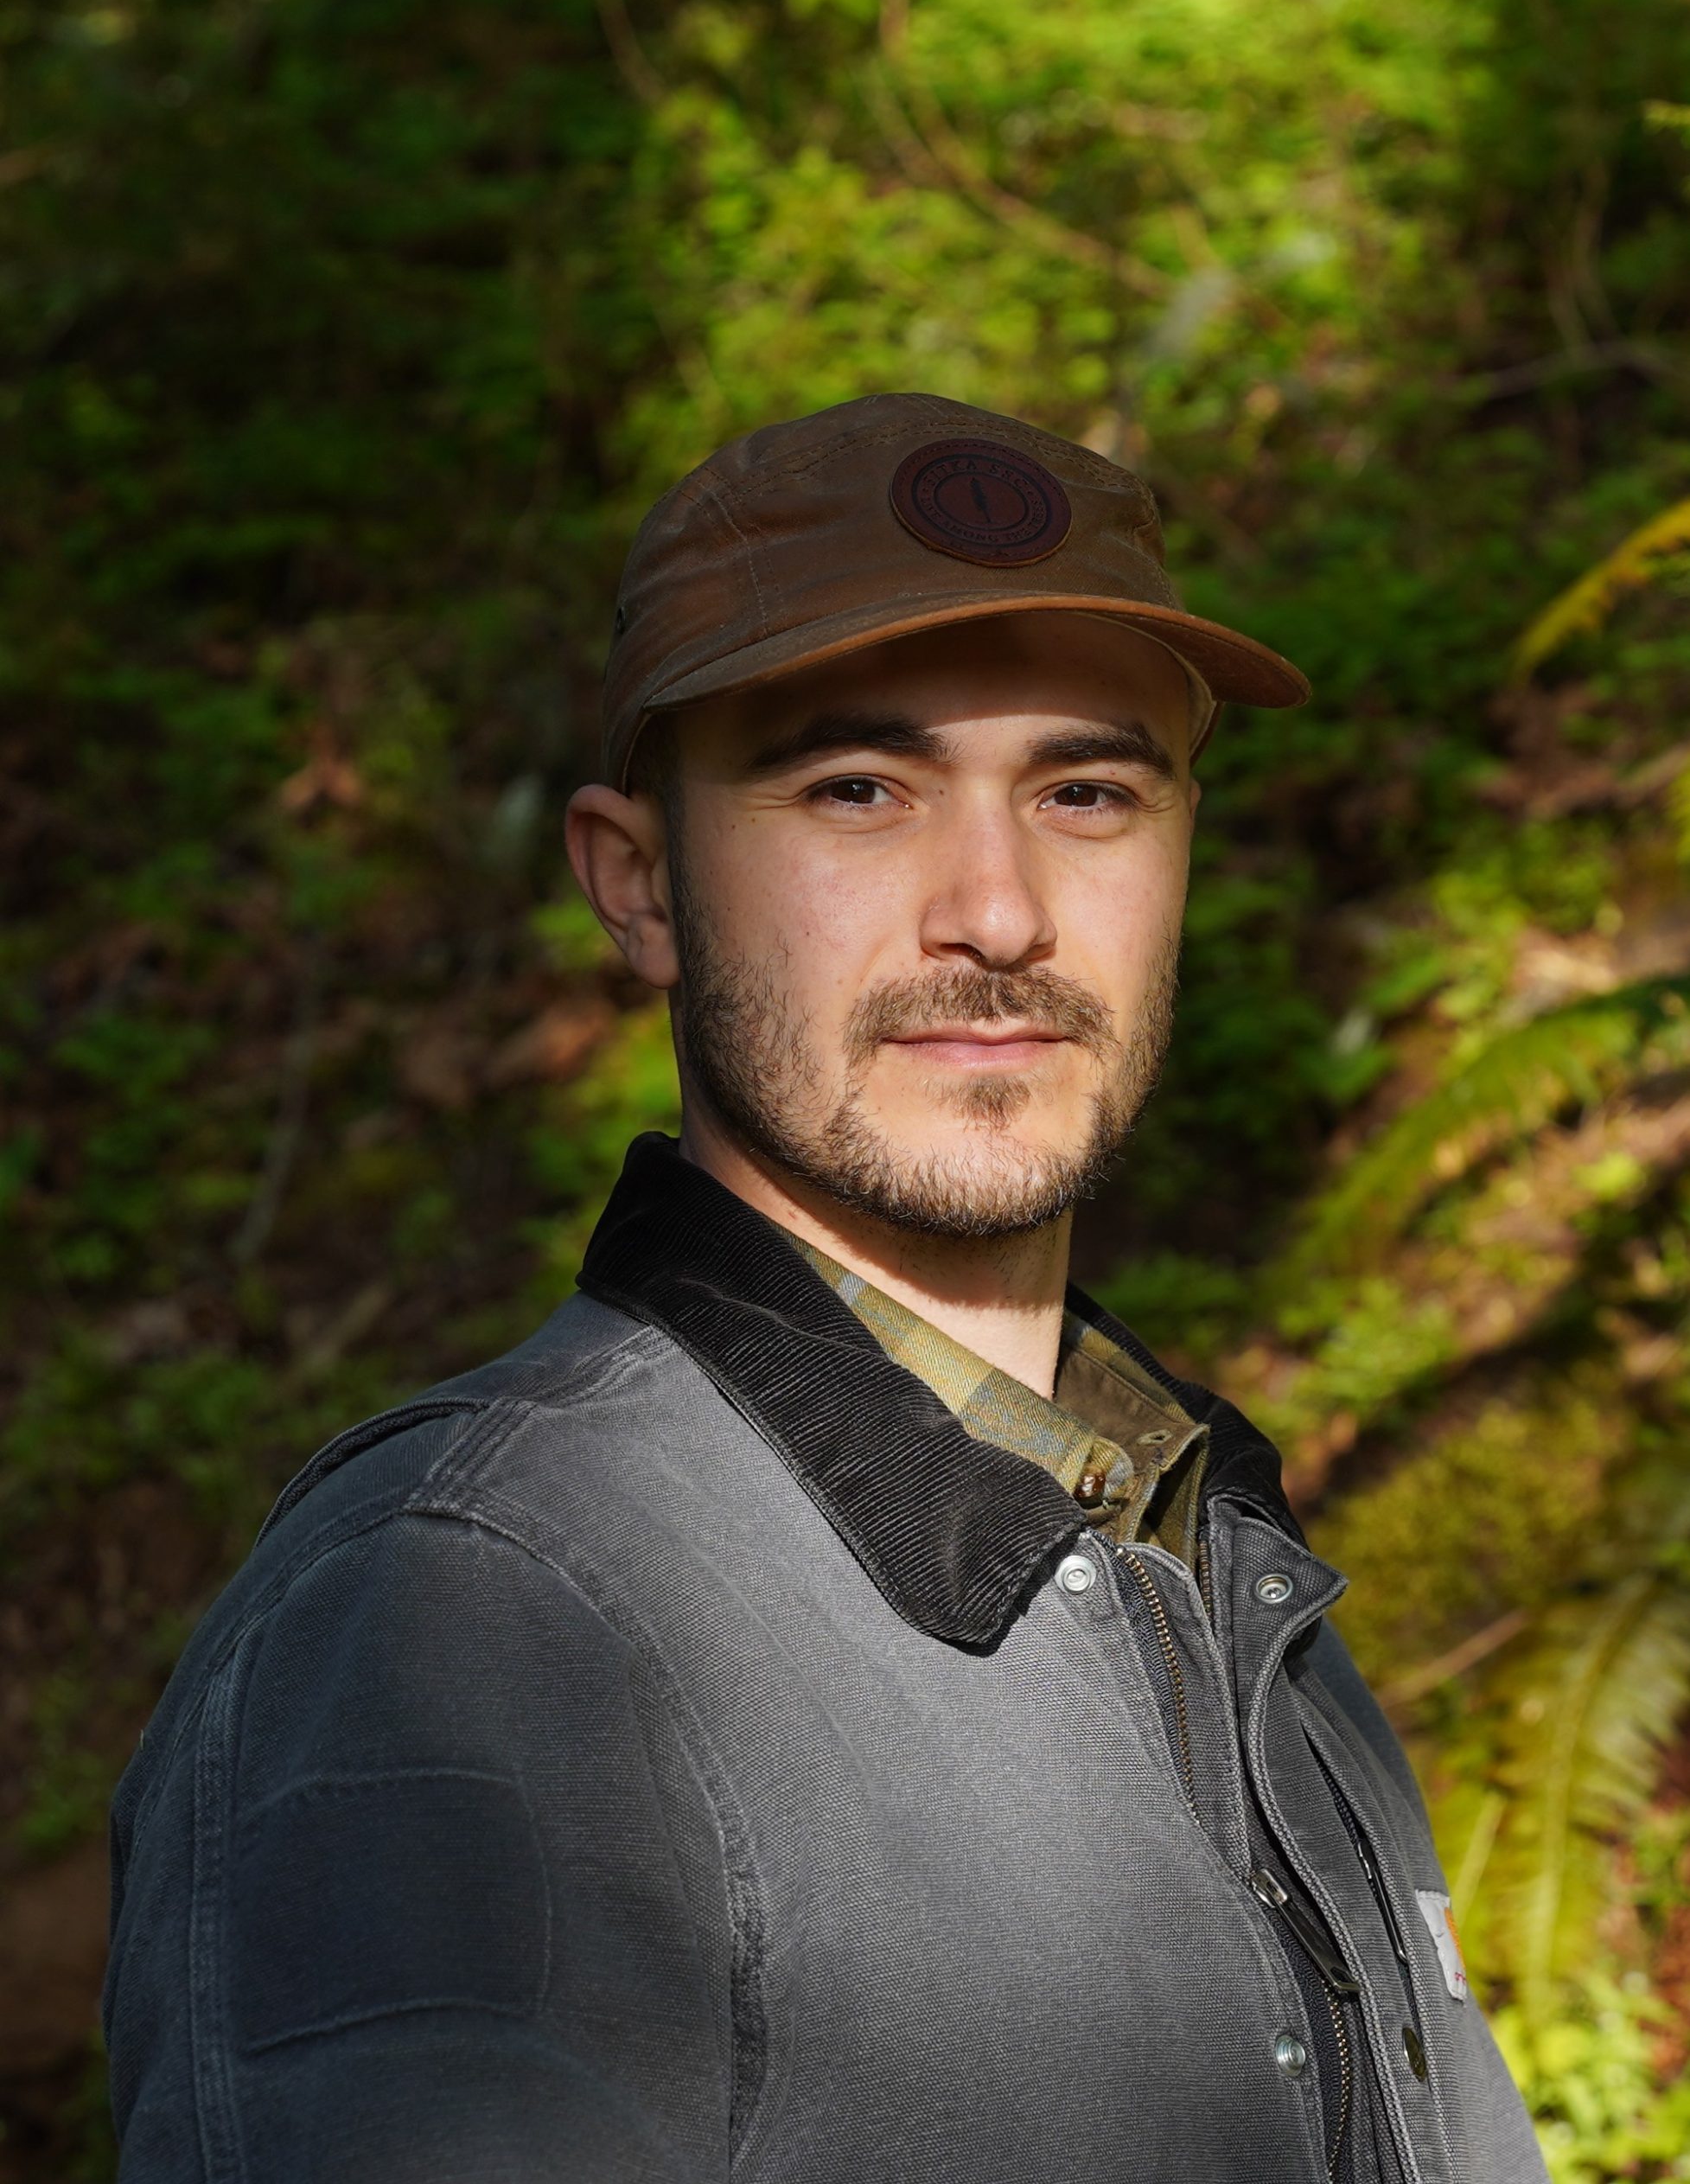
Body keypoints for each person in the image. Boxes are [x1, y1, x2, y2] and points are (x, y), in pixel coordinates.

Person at [104, 393, 1548, 2183]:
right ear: (641, 886)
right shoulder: (465, 1620)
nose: (1000, 913)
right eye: (857, 788)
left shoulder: (1234, 1586)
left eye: (1087, 791)